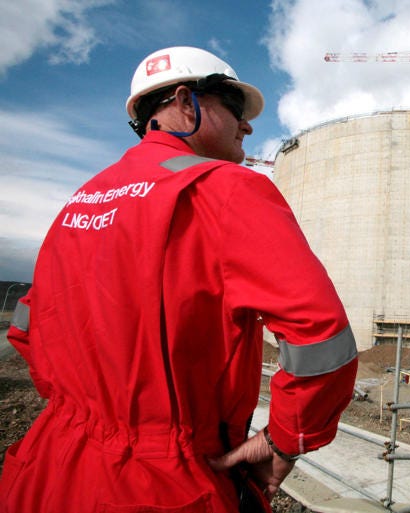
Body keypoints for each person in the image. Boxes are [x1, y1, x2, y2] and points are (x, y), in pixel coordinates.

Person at [0, 46, 358, 513]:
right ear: (187, 103)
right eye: (235, 107)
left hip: (48, 467)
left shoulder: (81, 201)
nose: (247, 125)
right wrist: (286, 438)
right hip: (165, 485)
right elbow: (321, 337)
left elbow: (27, 326)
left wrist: (92, 412)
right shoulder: (227, 188)